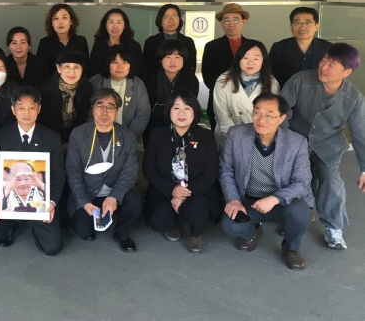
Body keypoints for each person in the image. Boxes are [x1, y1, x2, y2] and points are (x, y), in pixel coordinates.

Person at [281, 43, 365, 250]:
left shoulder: (354, 98)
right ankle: (297, 216)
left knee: (331, 182)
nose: (324, 67)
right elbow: (281, 111)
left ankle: (334, 228)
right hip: (296, 141)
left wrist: (364, 169)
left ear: (347, 72)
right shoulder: (300, 80)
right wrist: (283, 142)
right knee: (297, 179)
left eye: (332, 64)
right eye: (324, 60)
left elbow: (360, 133)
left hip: (329, 146)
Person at [220, 94, 313, 270]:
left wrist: (275, 198)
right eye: (257, 113)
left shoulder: (297, 142)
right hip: (248, 200)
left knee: (301, 214)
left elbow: (302, 182)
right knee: (230, 225)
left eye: (269, 115)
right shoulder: (236, 134)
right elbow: (226, 170)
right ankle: (253, 231)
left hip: (281, 202)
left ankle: (291, 247)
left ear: (282, 118)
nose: (261, 120)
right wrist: (233, 199)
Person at [0, 87, 64, 255]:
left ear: (39, 109)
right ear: (13, 110)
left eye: (31, 107)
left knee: (52, 248)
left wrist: (51, 202)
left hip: (40, 199)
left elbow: (57, 174)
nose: (26, 112)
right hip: (11, 196)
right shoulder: (1, 136)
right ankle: (9, 227)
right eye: (21, 107)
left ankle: (36, 226)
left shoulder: (52, 137)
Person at [66, 88, 142, 252]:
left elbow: (130, 172)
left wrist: (114, 196)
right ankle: (91, 214)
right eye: (99, 106)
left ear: (117, 110)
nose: (104, 111)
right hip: (88, 191)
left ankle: (121, 232)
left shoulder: (127, 136)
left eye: (110, 106)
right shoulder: (78, 134)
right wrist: (84, 201)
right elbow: (73, 172)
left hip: (116, 190)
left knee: (135, 203)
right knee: (84, 231)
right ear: (92, 109)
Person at [144, 90, 219, 253]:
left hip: (196, 189)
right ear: (169, 111)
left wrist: (181, 194)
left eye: (187, 108)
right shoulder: (157, 134)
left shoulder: (206, 136)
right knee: (159, 220)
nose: (181, 113)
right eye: (176, 108)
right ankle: (171, 224)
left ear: (195, 112)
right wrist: (172, 190)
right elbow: (149, 170)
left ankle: (196, 235)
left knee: (197, 212)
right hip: (165, 188)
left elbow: (210, 174)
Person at [213, 40, 280, 151]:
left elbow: (272, 114)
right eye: (245, 57)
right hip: (229, 136)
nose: (250, 62)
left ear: (263, 61)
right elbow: (222, 116)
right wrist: (236, 139)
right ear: (238, 59)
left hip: (261, 136)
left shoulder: (271, 82)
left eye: (256, 59)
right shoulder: (224, 80)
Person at [202, 3, 250, 129]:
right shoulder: (212, 46)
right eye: (226, 20)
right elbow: (208, 77)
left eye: (236, 20)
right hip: (220, 100)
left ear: (243, 22)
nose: (231, 24)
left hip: (248, 101)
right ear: (221, 24)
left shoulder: (252, 46)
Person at [88, 45, 151, 139]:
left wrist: (128, 138)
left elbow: (143, 114)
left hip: (128, 137)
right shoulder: (95, 82)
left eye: (125, 62)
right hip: (97, 137)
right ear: (108, 64)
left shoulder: (138, 84)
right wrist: (99, 137)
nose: (120, 66)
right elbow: (89, 113)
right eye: (115, 62)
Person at [144, 40, 200, 142]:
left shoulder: (191, 79)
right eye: (168, 57)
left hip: (181, 124)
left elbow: (190, 107)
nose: (173, 62)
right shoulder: (149, 78)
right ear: (161, 59)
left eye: (177, 57)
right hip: (152, 125)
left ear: (184, 60)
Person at [37, 52, 93, 144]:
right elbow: (42, 122)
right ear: (59, 68)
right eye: (67, 67)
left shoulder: (87, 89)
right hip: (51, 140)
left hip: (79, 140)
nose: (72, 72)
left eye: (76, 67)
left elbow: (86, 119)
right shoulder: (45, 90)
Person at [269, 7, 332, 88]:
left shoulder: (329, 49)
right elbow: (271, 76)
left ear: (316, 26)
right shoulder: (278, 48)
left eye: (307, 23)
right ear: (291, 26)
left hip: (319, 94)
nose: (302, 27)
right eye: (297, 23)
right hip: (286, 94)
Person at [89, 8, 145, 79]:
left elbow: (140, 72)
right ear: (105, 25)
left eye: (119, 22)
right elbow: (92, 71)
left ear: (124, 26)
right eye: (111, 22)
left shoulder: (134, 46)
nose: (115, 27)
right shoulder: (99, 45)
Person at [143, 4, 197, 75]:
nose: (171, 20)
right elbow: (147, 67)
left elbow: (191, 67)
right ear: (160, 21)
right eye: (166, 17)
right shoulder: (151, 42)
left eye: (174, 16)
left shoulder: (188, 42)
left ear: (179, 19)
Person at [36, 4, 89, 71]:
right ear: (52, 23)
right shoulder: (45, 43)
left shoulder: (81, 41)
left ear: (71, 21)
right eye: (56, 18)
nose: (60, 22)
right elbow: (41, 70)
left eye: (64, 18)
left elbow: (85, 68)